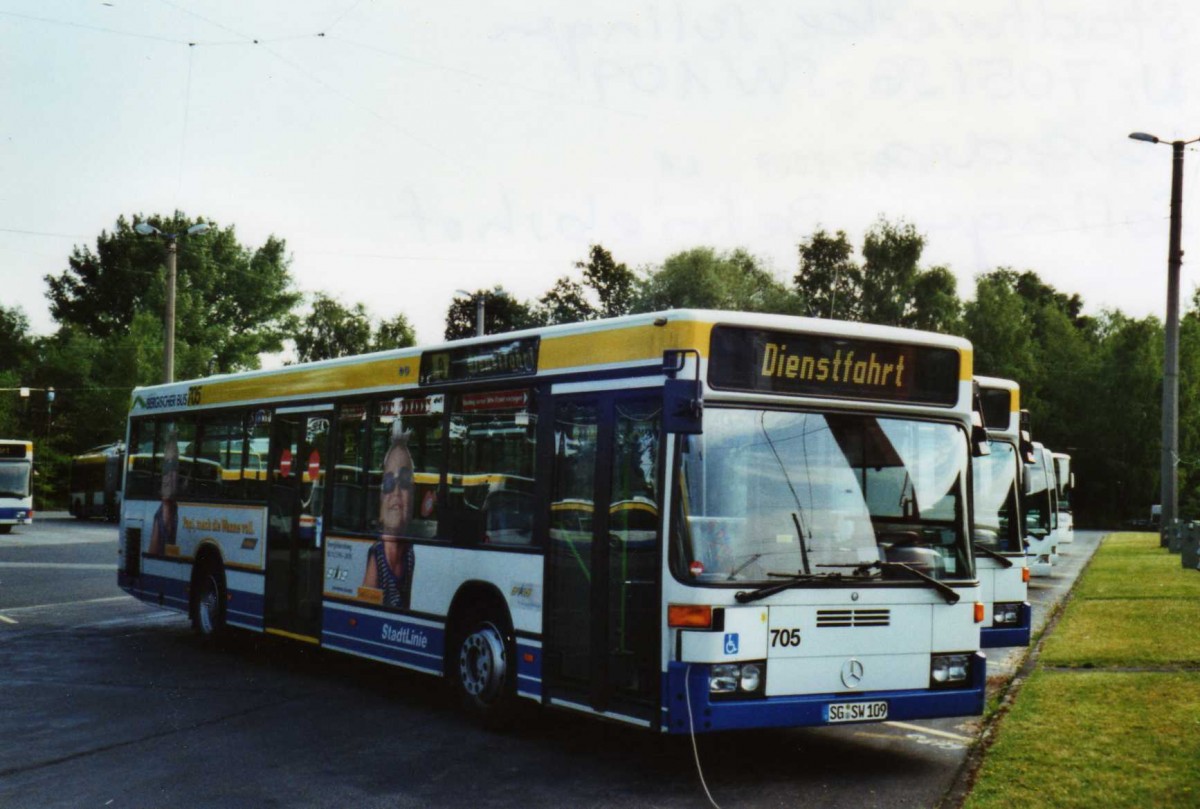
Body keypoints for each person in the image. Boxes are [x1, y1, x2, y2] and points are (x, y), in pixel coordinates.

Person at [362, 436, 416, 609]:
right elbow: (366, 611)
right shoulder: (377, 555)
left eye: (405, 482)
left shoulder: (411, 555)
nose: (396, 492)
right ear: (380, 499)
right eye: (389, 483)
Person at [148, 429, 179, 556]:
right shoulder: (159, 515)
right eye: (165, 474)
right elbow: (153, 553)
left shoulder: (176, 510)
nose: (169, 479)